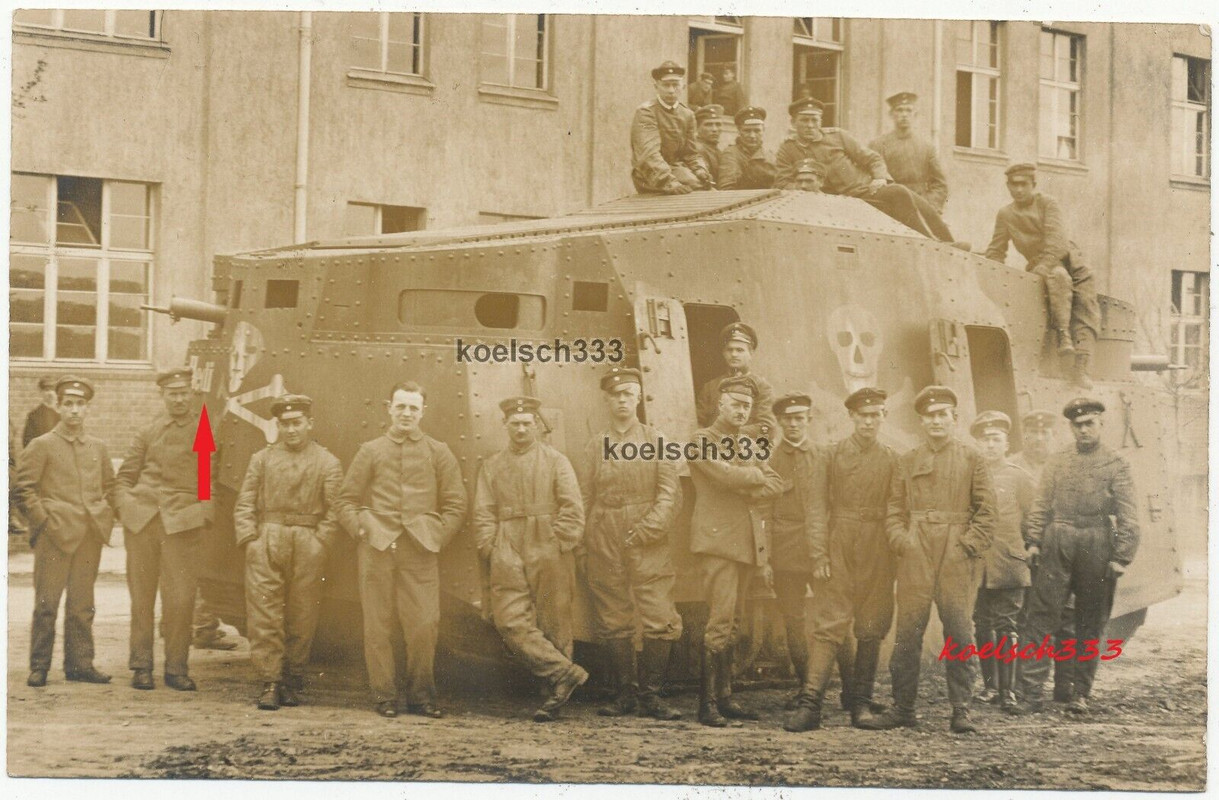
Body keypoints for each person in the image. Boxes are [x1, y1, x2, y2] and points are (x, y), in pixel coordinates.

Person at [860, 386, 995, 734]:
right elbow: (894, 510)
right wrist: (903, 542)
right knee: (907, 633)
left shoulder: (972, 458)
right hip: (916, 551)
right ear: (921, 421)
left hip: (955, 551)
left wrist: (966, 547)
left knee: (960, 632)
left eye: (942, 415)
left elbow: (987, 512)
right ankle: (903, 708)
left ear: (953, 419)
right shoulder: (906, 461)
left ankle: (961, 710)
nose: (936, 421)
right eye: (930, 416)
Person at [336, 381, 467, 719]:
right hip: (377, 548)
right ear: (388, 408)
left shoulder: (439, 452)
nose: (406, 413)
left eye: (413, 407)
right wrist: (361, 528)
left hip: (420, 550)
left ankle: (422, 696)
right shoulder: (371, 450)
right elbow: (346, 500)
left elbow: (456, 504)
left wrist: (436, 536)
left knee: (424, 625)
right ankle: (384, 697)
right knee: (377, 626)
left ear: (423, 411)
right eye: (400, 406)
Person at [1016, 398, 1140, 716]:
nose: (1083, 430)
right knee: (1040, 618)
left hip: (1096, 542)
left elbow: (1128, 515)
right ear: (1071, 428)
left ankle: (1080, 694)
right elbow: (1042, 503)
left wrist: (1121, 556)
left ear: (1101, 425)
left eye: (1089, 424)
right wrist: (1033, 541)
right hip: (1058, 538)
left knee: (1089, 621)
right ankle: (1030, 694)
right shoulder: (1058, 462)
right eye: (1077, 425)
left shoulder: (1116, 464)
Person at [785, 387, 897, 732]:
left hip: (878, 544)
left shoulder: (893, 459)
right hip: (840, 541)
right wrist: (818, 554)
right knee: (830, 623)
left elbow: (897, 509)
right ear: (852, 417)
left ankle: (860, 707)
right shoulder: (831, 456)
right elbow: (816, 509)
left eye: (876, 414)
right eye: (863, 415)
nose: (869, 421)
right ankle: (811, 705)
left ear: (883, 417)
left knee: (871, 625)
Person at [576, 367, 683, 721]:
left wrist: (648, 528)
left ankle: (652, 697)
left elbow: (670, 496)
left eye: (628, 394)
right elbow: (585, 497)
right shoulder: (595, 445)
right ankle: (625, 695)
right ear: (607, 400)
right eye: (615, 395)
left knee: (659, 616)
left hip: (646, 536)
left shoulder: (657, 441)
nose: (622, 400)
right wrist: (585, 542)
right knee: (614, 615)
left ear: (638, 398)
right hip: (604, 532)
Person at [473, 396, 587, 722]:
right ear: (505, 425)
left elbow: (573, 507)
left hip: (546, 541)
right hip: (507, 542)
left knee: (555, 620)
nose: (521, 429)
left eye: (527, 423)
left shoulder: (555, 460)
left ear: (536, 425)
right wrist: (490, 547)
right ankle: (564, 673)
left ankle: (554, 695)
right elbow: (483, 512)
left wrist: (559, 541)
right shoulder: (492, 465)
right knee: (508, 619)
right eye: (515, 424)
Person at [235, 394, 343, 711]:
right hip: (267, 538)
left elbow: (336, 510)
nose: (291, 430)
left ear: (310, 423)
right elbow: (245, 503)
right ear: (278, 426)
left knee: (302, 614)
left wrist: (321, 542)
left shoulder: (328, 462)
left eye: (297, 423)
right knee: (264, 613)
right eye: (285, 424)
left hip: (308, 541)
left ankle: (294, 679)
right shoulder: (262, 459)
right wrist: (250, 540)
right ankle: (270, 682)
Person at [689, 376, 786, 727]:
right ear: (720, 405)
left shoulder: (746, 444)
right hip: (718, 544)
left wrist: (748, 477)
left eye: (747, 405)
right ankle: (707, 704)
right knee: (719, 623)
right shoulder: (701, 441)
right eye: (735, 404)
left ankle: (726, 697)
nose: (742, 410)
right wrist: (752, 477)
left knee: (734, 625)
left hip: (746, 544)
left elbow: (776, 483)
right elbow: (724, 478)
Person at [116, 368, 212, 692]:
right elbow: (125, 477)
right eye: (173, 393)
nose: (179, 398)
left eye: (184, 392)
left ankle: (176, 669)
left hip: (182, 527)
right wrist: (126, 507)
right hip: (142, 524)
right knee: (141, 599)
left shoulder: (202, 430)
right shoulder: (148, 431)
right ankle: (141, 666)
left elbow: (205, 482)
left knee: (181, 601)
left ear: (191, 394)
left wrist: (200, 517)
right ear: (163, 396)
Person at [15, 376, 115, 688]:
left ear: (87, 409)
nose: (74, 410)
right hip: (54, 536)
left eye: (80, 404)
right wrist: (43, 521)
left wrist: (102, 516)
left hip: (88, 537)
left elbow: (110, 487)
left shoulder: (98, 447)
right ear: (58, 407)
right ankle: (39, 666)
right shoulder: (41, 445)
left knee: (82, 605)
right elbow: (23, 489)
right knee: (47, 604)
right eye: (68, 404)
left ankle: (80, 665)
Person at [774, 98, 965, 247]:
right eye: (804, 120)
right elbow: (782, 182)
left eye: (814, 120)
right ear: (793, 122)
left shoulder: (837, 136)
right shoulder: (788, 149)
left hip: (864, 190)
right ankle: (930, 241)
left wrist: (880, 177)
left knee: (904, 193)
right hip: (833, 200)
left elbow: (872, 158)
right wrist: (808, 188)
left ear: (820, 121)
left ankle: (947, 241)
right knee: (899, 192)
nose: (809, 125)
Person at [984, 163, 1102, 388]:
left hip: (1071, 263)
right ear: (1008, 186)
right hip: (1042, 266)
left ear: (1033, 185)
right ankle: (1063, 335)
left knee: (1086, 307)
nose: (1018, 190)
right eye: (1013, 185)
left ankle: (1081, 367)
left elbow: (1056, 243)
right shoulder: (1006, 214)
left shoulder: (1047, 204)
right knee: (1055, 279)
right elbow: (996, 250)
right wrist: (990, 272)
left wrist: (1041, 270)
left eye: (1023, 184)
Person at [766, 393, 846, 712]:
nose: (794, 424)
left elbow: (834, 505)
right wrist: (767, 558)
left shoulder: (825, 456)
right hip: (786, 554)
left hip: (822, 551)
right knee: (794, 622)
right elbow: (767, 511)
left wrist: (827, 551)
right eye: (788, 419)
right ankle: (806, 689)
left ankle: (851, 692)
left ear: (809, 420)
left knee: (833, 619)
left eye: (800, 418)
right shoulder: (772, 460)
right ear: (780, 422)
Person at [969, 411, 1034, 713]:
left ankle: (1008, 691)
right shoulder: (969, 474)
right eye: (985, 440)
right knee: (981, 623)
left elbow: (1032, 517)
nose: (990, 445)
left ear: (1006, 444)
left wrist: (1029, 546)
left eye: (996, 440)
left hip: (1009, 560)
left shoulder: (1018, 476)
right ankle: (989, 686)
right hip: (977, 561)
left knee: (1007, 625)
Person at [1012, 408, 1078, 702]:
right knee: (1028, 620)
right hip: (1023, 553)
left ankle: (1066, 685)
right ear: (1024, 435)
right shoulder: (1012, 465)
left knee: (1067, 618)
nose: (1038, 439)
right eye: (1033, 433)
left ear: (1053, 436)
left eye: (1044, 433)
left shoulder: (1066, 465)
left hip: (1060, 552)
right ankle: (1026, 686)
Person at [631, 61, 713, 195]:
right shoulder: (646, 112)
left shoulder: (687, 114)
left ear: (683, 87)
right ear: (656, 86)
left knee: (709, 191)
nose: (671, 90)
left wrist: (700, 170)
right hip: (650, 176)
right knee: (701, 194)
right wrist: (669, 182)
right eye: (666, 85)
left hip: (677, 172)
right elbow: (649, 154)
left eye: (675, 85)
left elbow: (691, 153)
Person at [695, 321, 777, 441]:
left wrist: (727, 433)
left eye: (740, 350)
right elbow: (698, 422)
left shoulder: (762, 387)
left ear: (751, 353)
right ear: (723, 353)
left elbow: (767, 428)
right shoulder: (710, 387)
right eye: (729, 350)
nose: (734, 354)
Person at [868, 92, 949, 213]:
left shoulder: (927, 147)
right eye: (899, 110)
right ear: (891, 114)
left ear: (915, 115)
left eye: (908, 110)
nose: (904, 115)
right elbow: (868, 178)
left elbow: (940, 184)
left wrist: (929, 206)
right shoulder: (878, 145)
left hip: (918, 207)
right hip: (888, 207)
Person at [719, 106, 777, 190]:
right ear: (739, 131)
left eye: (757, 131)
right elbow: (727, 188)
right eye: (747, 131)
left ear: (763, 130)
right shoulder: (731, 154)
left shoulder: (769, 154)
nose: (752, 136)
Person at [22, 375, 61, 448]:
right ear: (41, 392)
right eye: (46, 390)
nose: (50, 393)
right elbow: (27, 442)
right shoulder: (34, 416)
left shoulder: (63, 414)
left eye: (52, 390)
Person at [693, 104, 725, 186]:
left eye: (718, 124)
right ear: (697, 127)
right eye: (708, 125)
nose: (714, 129)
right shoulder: (696, 149)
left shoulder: (716, 150)